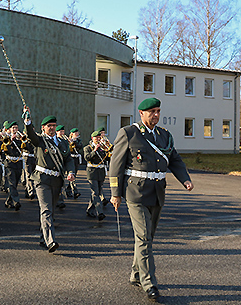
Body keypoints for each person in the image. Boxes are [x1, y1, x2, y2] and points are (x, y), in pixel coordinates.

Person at [109, 98, 193, 300]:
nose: (155, 115)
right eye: (151, 111)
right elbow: (116, 165)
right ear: (141, 113)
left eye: (158, 111)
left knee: (147, 238)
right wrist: (115, 194)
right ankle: (149, 283)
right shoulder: (129, 133)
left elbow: (174, 159)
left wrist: (185, 179)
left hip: (157, 193)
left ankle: (136, 274)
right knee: (144, 237)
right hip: (135, 193)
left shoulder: (164, 135)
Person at [22, 108, 75, 253]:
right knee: (46, 210)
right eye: (49, 126)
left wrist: (71, 172)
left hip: (57, 180)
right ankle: (51, 241)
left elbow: (68, 159)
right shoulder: (40, 140)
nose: (52, 128)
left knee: (51, 211)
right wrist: (27, 121)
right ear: (43, 128)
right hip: (42, 179)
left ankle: (43, 238)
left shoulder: (63, 143)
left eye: (54, 125)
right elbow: (31, 135)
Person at [83, 130, 108, 220]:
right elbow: (87, 157)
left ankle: (90, 209)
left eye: (99, 137)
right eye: (96, 137)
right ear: (92, 138)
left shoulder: (102, 147)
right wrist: (95, 150)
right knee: (95, 192)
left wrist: (108, 150)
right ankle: (100, 212)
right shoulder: (87, 148)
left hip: (101, 172)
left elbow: (107, 157)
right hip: (92, 172)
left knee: (97, 191)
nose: (98, 139)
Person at [2, 121, 23, 211]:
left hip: (18, 163)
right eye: (13, 128)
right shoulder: (6, 138)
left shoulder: (20, 138)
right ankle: (16, 201)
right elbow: (6, 150)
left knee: (15, 183)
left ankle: (8, 201)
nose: (15, 129)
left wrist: (23, 140)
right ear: (9, 129)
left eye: (16, 128)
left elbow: (26, 148)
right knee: (11, 183)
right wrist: (11, 140)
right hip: (9, 163)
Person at [66, 128, 82, 199]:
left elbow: (80, 146)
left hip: (76, 159)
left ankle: (68, 190)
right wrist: (71, 142)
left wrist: (75, 142)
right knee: (72, 175)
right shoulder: (68, 140)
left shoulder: (78, 140)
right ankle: (75, 191)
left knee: (74, 174)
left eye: (77, 133)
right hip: (70, 158)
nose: (77, 134)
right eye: (76, 133)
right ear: (72, 134)